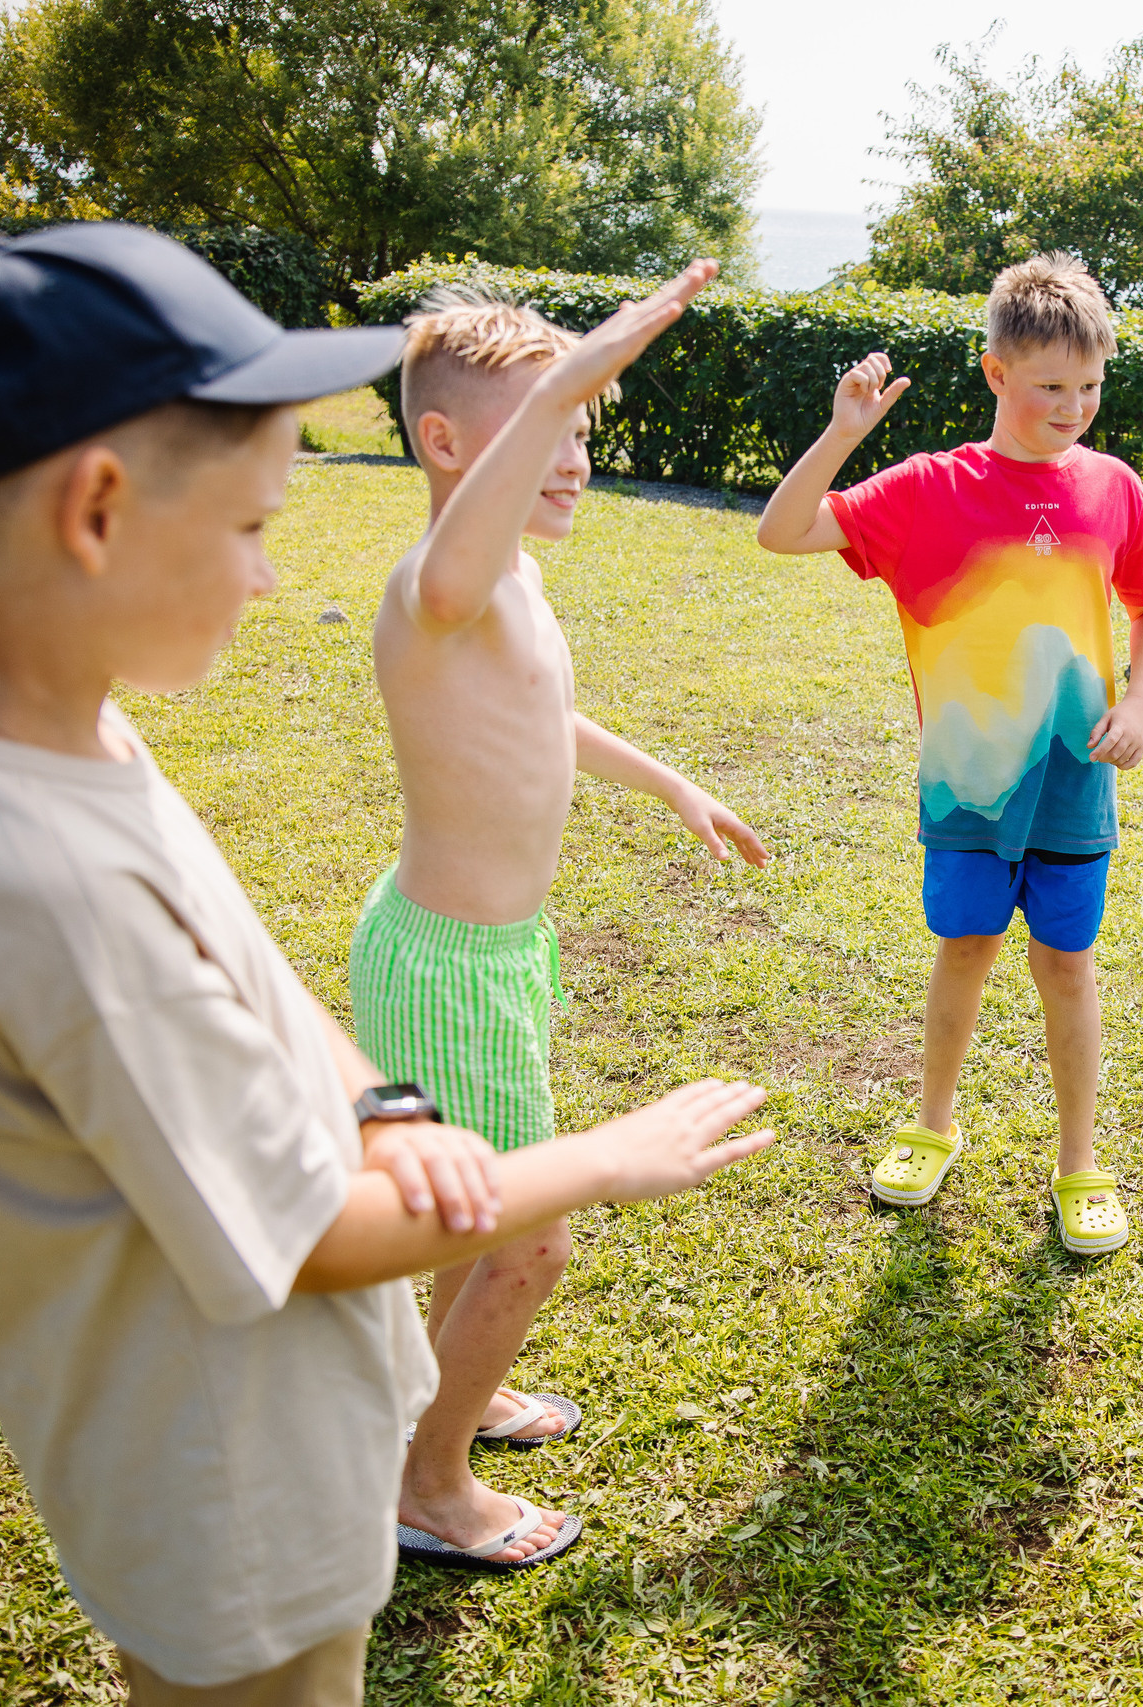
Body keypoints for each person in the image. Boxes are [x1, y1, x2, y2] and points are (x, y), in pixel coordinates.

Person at [0, 225, 770, 1704]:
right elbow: (303, 1236)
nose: (274, 576)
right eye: (245, 529)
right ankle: (439, 1475)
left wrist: (387, 1105)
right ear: (97, 509)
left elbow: (259, 979)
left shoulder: (68, 732)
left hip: (285, 1449)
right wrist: (612, 1153)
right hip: (234, 1515)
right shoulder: (42, 881)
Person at [351, 288, 770, 1568]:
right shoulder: (442, 581)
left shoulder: (511, 580)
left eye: (585, 427)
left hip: (495, 958)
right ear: (449, 450)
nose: (575, 457)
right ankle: (426, 1484)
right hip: (448, 967)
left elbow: (548, 716)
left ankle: (437, 1399)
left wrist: (673, 785)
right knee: (528, 1243)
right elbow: (457, 577)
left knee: (469, 1222)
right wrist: (578, 360)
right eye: (549, 427)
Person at [754, 252, 1143, 1253]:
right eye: (1049, 387)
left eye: (1088, 386)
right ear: (995, 373)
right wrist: (842, 434)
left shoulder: (1112, 488)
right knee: (965, 952)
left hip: (1075, 791)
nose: (1072, 406)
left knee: (1065, 967)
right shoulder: (927, 488)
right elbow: (781, 532)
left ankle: (1079, 1164)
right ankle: (932, 1125)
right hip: (967, 793)